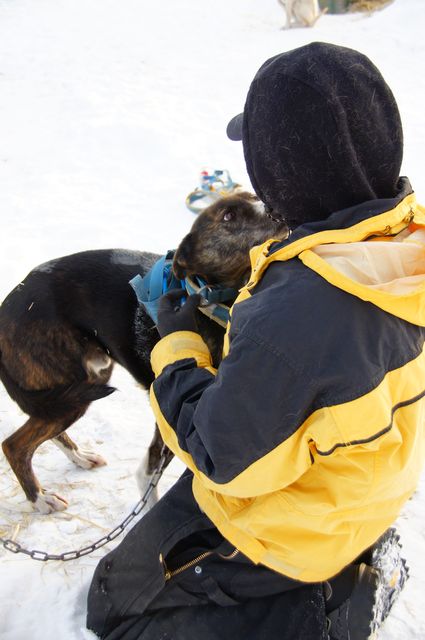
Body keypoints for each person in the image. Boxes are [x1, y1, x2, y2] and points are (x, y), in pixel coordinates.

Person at [87, 42, 425, 640]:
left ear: (282, 173)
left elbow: (219, 457)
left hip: (278, 533)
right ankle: (353, 565)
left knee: (113, 606)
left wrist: (178, 346)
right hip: (358, 492)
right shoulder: (406, 245)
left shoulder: (300, 312)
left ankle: (340, 609)